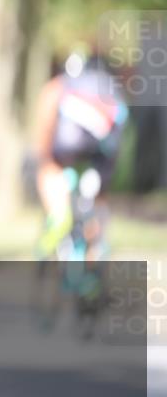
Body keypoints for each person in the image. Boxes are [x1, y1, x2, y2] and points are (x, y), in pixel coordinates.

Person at [33, 49, 129, 262]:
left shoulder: (59, 85)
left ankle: (58, 215)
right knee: (98, 198)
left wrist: (46, 159)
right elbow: (121, 125)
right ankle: (95, 251)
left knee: (48, 170)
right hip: (103, 151)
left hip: (67, 146)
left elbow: (45, 128)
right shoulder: (111, 87)